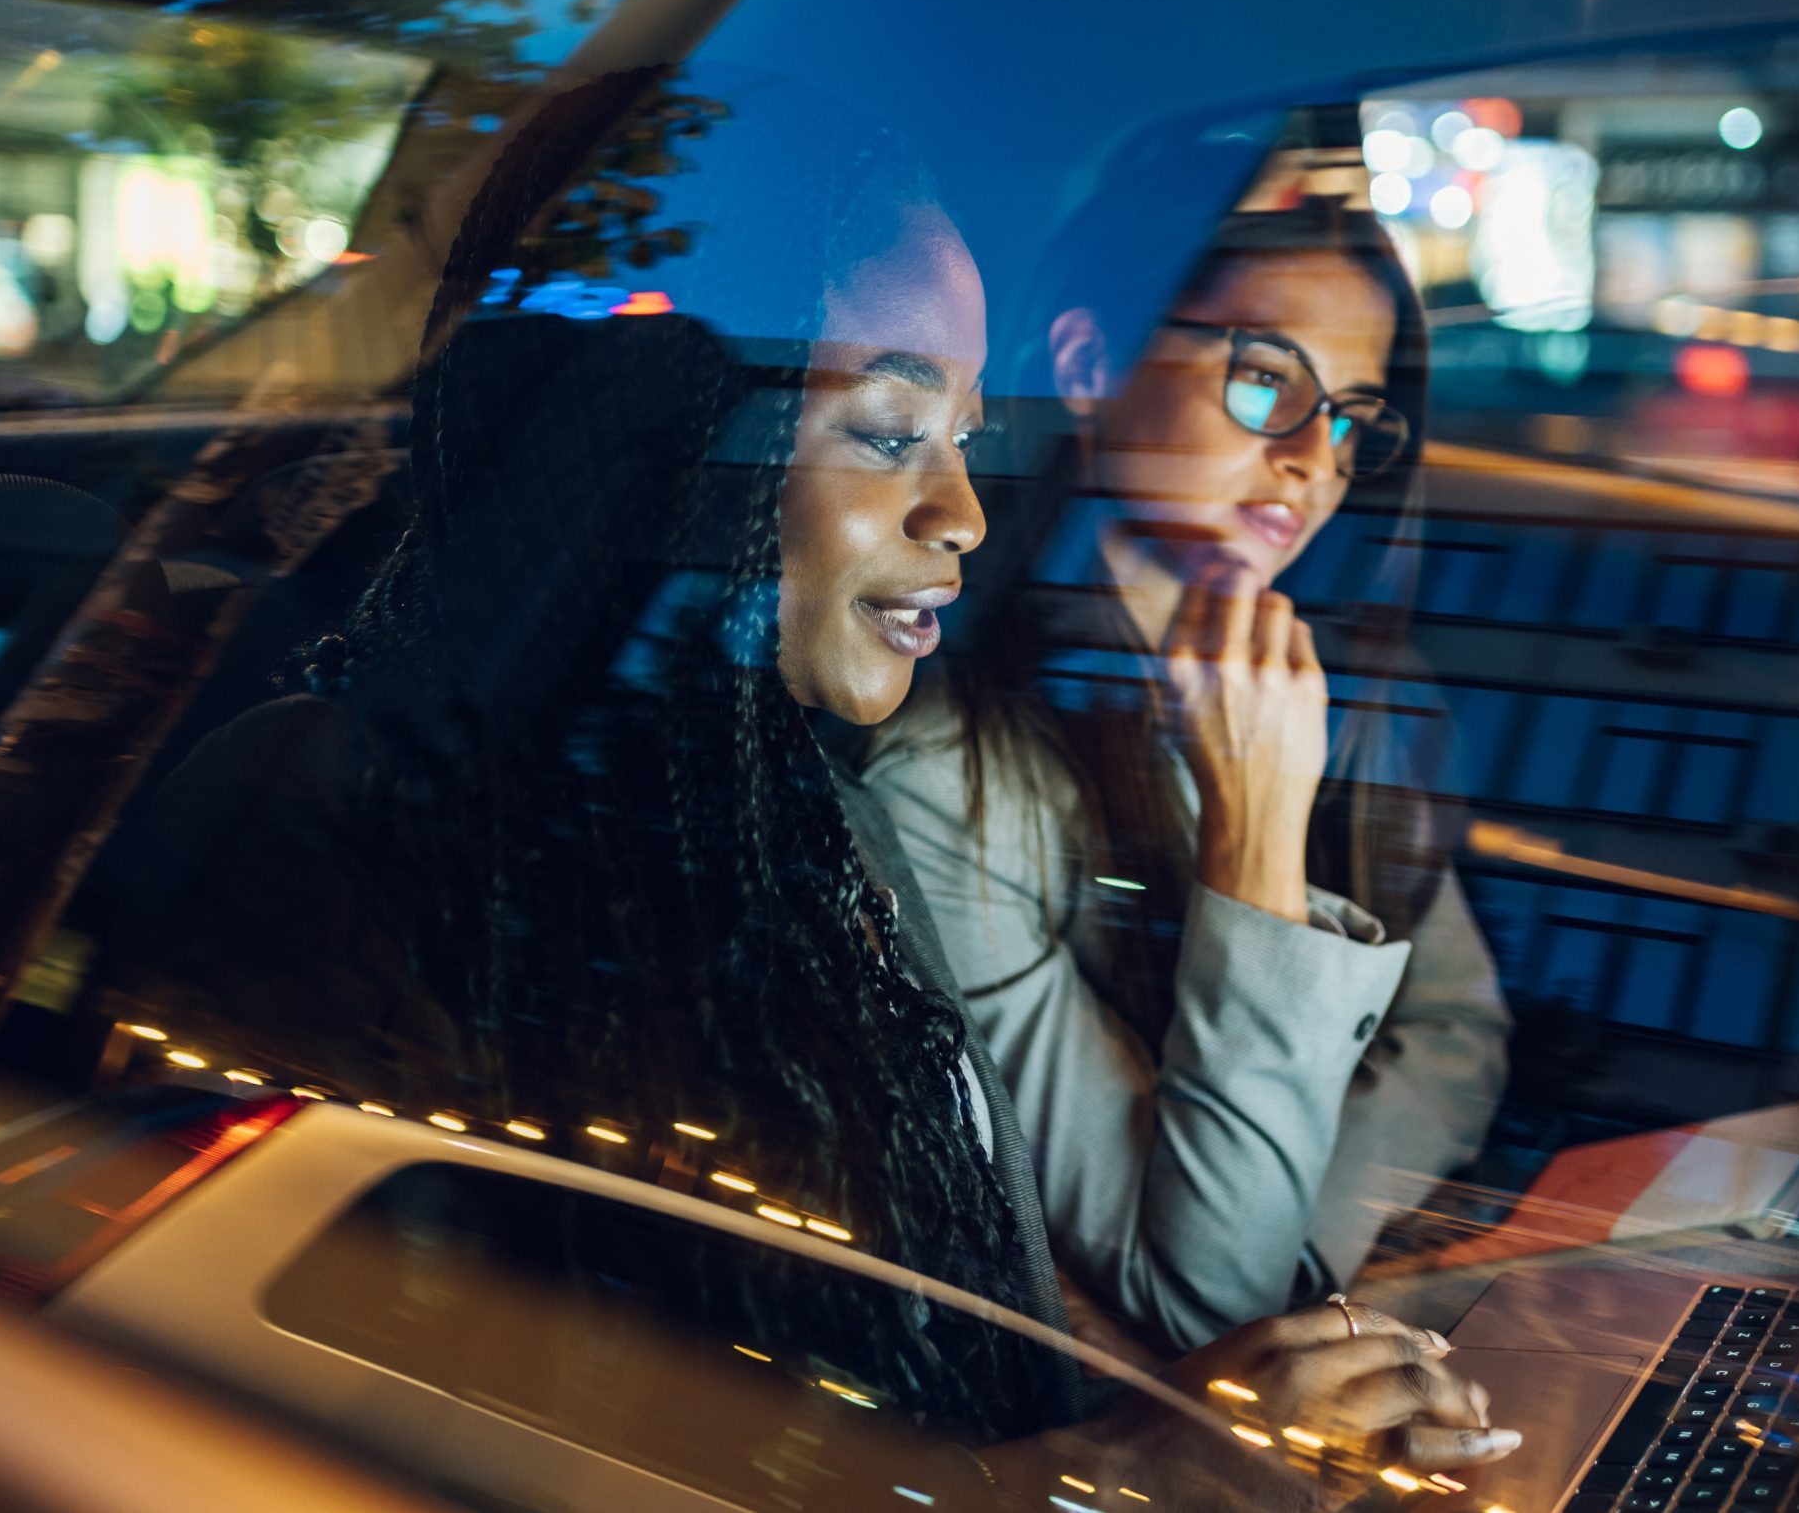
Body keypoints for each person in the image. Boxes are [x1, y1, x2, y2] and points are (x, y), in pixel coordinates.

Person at [116, 76, 1516, 1476]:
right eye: (890, 429)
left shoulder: (788, 816)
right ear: (674, 431)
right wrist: (1167, 1460)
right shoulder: (353, 818)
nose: (962, 512)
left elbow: (978, 1341)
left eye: (965, 434)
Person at [864, 122, 1512, 1351]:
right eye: (1268, 379)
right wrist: (1255, 853)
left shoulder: (1337, 686)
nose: (1313, 462)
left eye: (1354, 423)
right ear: (1090, 359)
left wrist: (1307, 1244)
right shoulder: (952, 773)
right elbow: (1207, 1294)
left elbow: (1461, 1031)